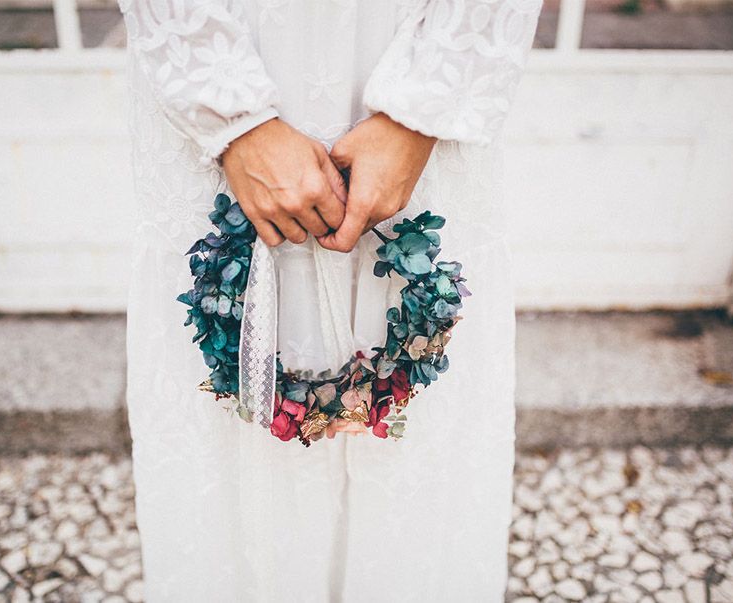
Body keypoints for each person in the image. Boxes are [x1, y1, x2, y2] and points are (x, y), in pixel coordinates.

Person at [116, 0, 542, 600]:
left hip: (417, 59)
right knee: (225, 452)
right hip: (226, 57)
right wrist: (231, 115)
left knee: (419, 457)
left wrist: (422, 108)